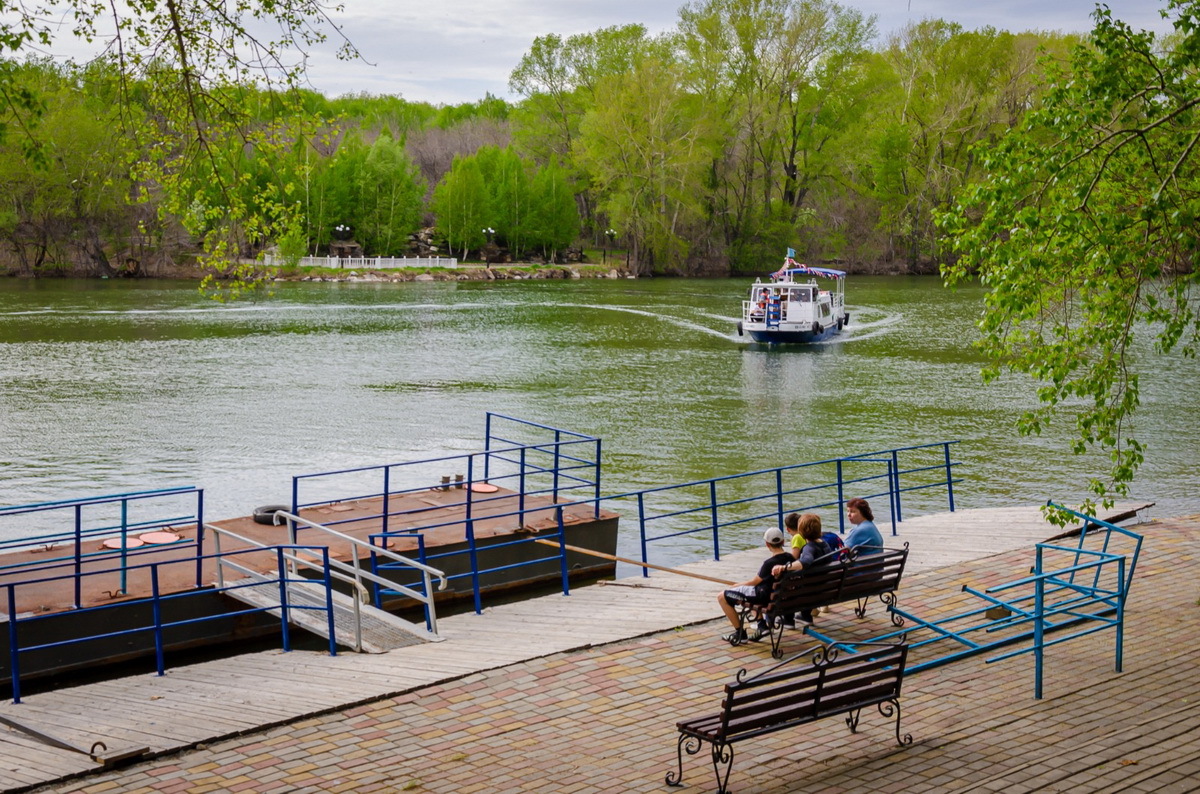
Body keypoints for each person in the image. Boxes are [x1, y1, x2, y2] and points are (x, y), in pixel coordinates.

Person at [716, 527, 794, 644]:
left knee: (722, 596)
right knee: (749, 591)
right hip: (782, 598)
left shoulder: (769, 564)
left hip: (765, 597)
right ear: (783, 542)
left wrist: (736, 585)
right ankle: (762, 626)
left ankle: (740, 634)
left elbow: (753, 582)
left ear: (767, 544)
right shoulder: (791, 558)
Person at [771, 513, 833, 625]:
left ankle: (788, 620)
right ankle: (805, 615)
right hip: (825, 586)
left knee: (786, 583)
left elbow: (805, 561)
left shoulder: (809, 548)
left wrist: (785, 567)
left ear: (801, 531)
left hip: (811, 590)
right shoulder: (825, 544)